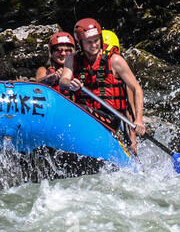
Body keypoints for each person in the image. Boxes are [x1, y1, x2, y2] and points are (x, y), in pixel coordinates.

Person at [62, 17, 146, 152]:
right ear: (80, 43)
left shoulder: (115, 60)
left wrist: (139, 120)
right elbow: (63, 80)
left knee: (80, 110)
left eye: (96, 40)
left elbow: (137, 88)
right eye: (89, 42)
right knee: (77, 109)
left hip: (110, 118)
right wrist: (70, 82)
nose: (94, 45)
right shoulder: (72, 59)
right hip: (84, 113)